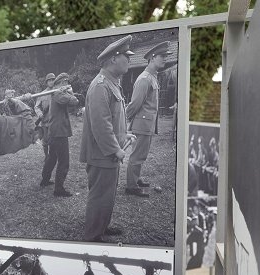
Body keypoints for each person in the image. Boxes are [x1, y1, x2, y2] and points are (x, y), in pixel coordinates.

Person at [80, 35, 137, 242]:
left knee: (108, 194)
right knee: (100, 195)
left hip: (109, 153)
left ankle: (102, 226)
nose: (129, 60)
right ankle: (93, 235)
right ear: (113, 58)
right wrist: (116, 149)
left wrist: (124, 136)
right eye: (126, 56)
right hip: (102, 154)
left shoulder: (112, 83)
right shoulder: (100, 86)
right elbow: (101, 125)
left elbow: (112, 119)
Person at [125, 41, 171, 197]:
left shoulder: (152, 76)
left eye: (166, 56)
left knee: (141, 154)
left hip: (147, 124)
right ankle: (131, 186)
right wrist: (124, 120)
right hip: (142, 124)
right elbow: (135, 103)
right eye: (162, 56)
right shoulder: (144, 78)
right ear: (152, 57)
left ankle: (135, 179)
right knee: (137, 155)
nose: (165, 59)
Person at [40, 72, 79, 197]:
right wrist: (70, 91)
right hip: (59, 133)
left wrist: (66, 91)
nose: (68, 85)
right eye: (66, 82)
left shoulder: (56, 93)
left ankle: (45, 180)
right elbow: (75, 101)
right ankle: (59, 189)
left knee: (52, 157)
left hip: (55, 132)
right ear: (61, 83)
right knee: (63, 161)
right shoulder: (58, 94)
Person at [34, 73, 56, 160]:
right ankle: (46, 157)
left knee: (54, 141)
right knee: (45, 141)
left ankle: (53, 156)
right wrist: (39, 114)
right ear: (46, 82)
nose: (51, 82)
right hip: (45, 121)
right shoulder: (42, 94)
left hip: (55, 121)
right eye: (49, 80)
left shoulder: (57, 92)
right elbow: (37, 106)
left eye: (53, 80)